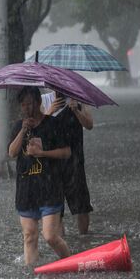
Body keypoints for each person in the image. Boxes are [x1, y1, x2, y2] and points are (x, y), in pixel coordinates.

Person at [8, 86, 71, 265]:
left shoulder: (53, 124)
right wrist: (22, 131)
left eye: (30, 104)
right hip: (26, 190)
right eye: (23, 105)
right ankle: (32, 277)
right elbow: (12, 153)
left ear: (39, 102)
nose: (27, 108)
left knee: (50, 236)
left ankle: (71, 264)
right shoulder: (18, 126)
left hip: (50, 188)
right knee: (29, 236)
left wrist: (43, 154)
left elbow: (66, 152)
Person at [42, 91, 94, 235]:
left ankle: (83, 240)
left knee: (82, 206)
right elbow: (38, 132)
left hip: (75, 162)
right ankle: (63, 243)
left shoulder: (80, 99)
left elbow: (89, 125)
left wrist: (76, 110)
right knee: (56, 209)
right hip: (52, 163)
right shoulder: (44, 100)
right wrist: (49, 112)